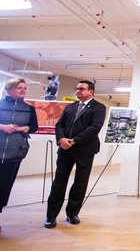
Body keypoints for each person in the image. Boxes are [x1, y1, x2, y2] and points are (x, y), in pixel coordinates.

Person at [45, 80, 106, 229]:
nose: (77, 91)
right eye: (76, 88)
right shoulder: (70, 107)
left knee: (80, 183)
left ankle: (72, 213)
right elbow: (59, 125)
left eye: (81, 89)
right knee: (59, 182)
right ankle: (51, 216)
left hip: (85, 150)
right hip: (66, 149)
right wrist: (61, 139)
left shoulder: (99, 107)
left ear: (90, 91)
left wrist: (74, 141)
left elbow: (95, 127)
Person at [0, 78, 38, 228]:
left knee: (4, 186)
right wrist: (2, 127)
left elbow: (33, 127)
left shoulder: (29, 109)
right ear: (8, 89)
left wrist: (21, 129)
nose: (23, 90)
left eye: (25, 88)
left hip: (15, 152)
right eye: (19, 88)